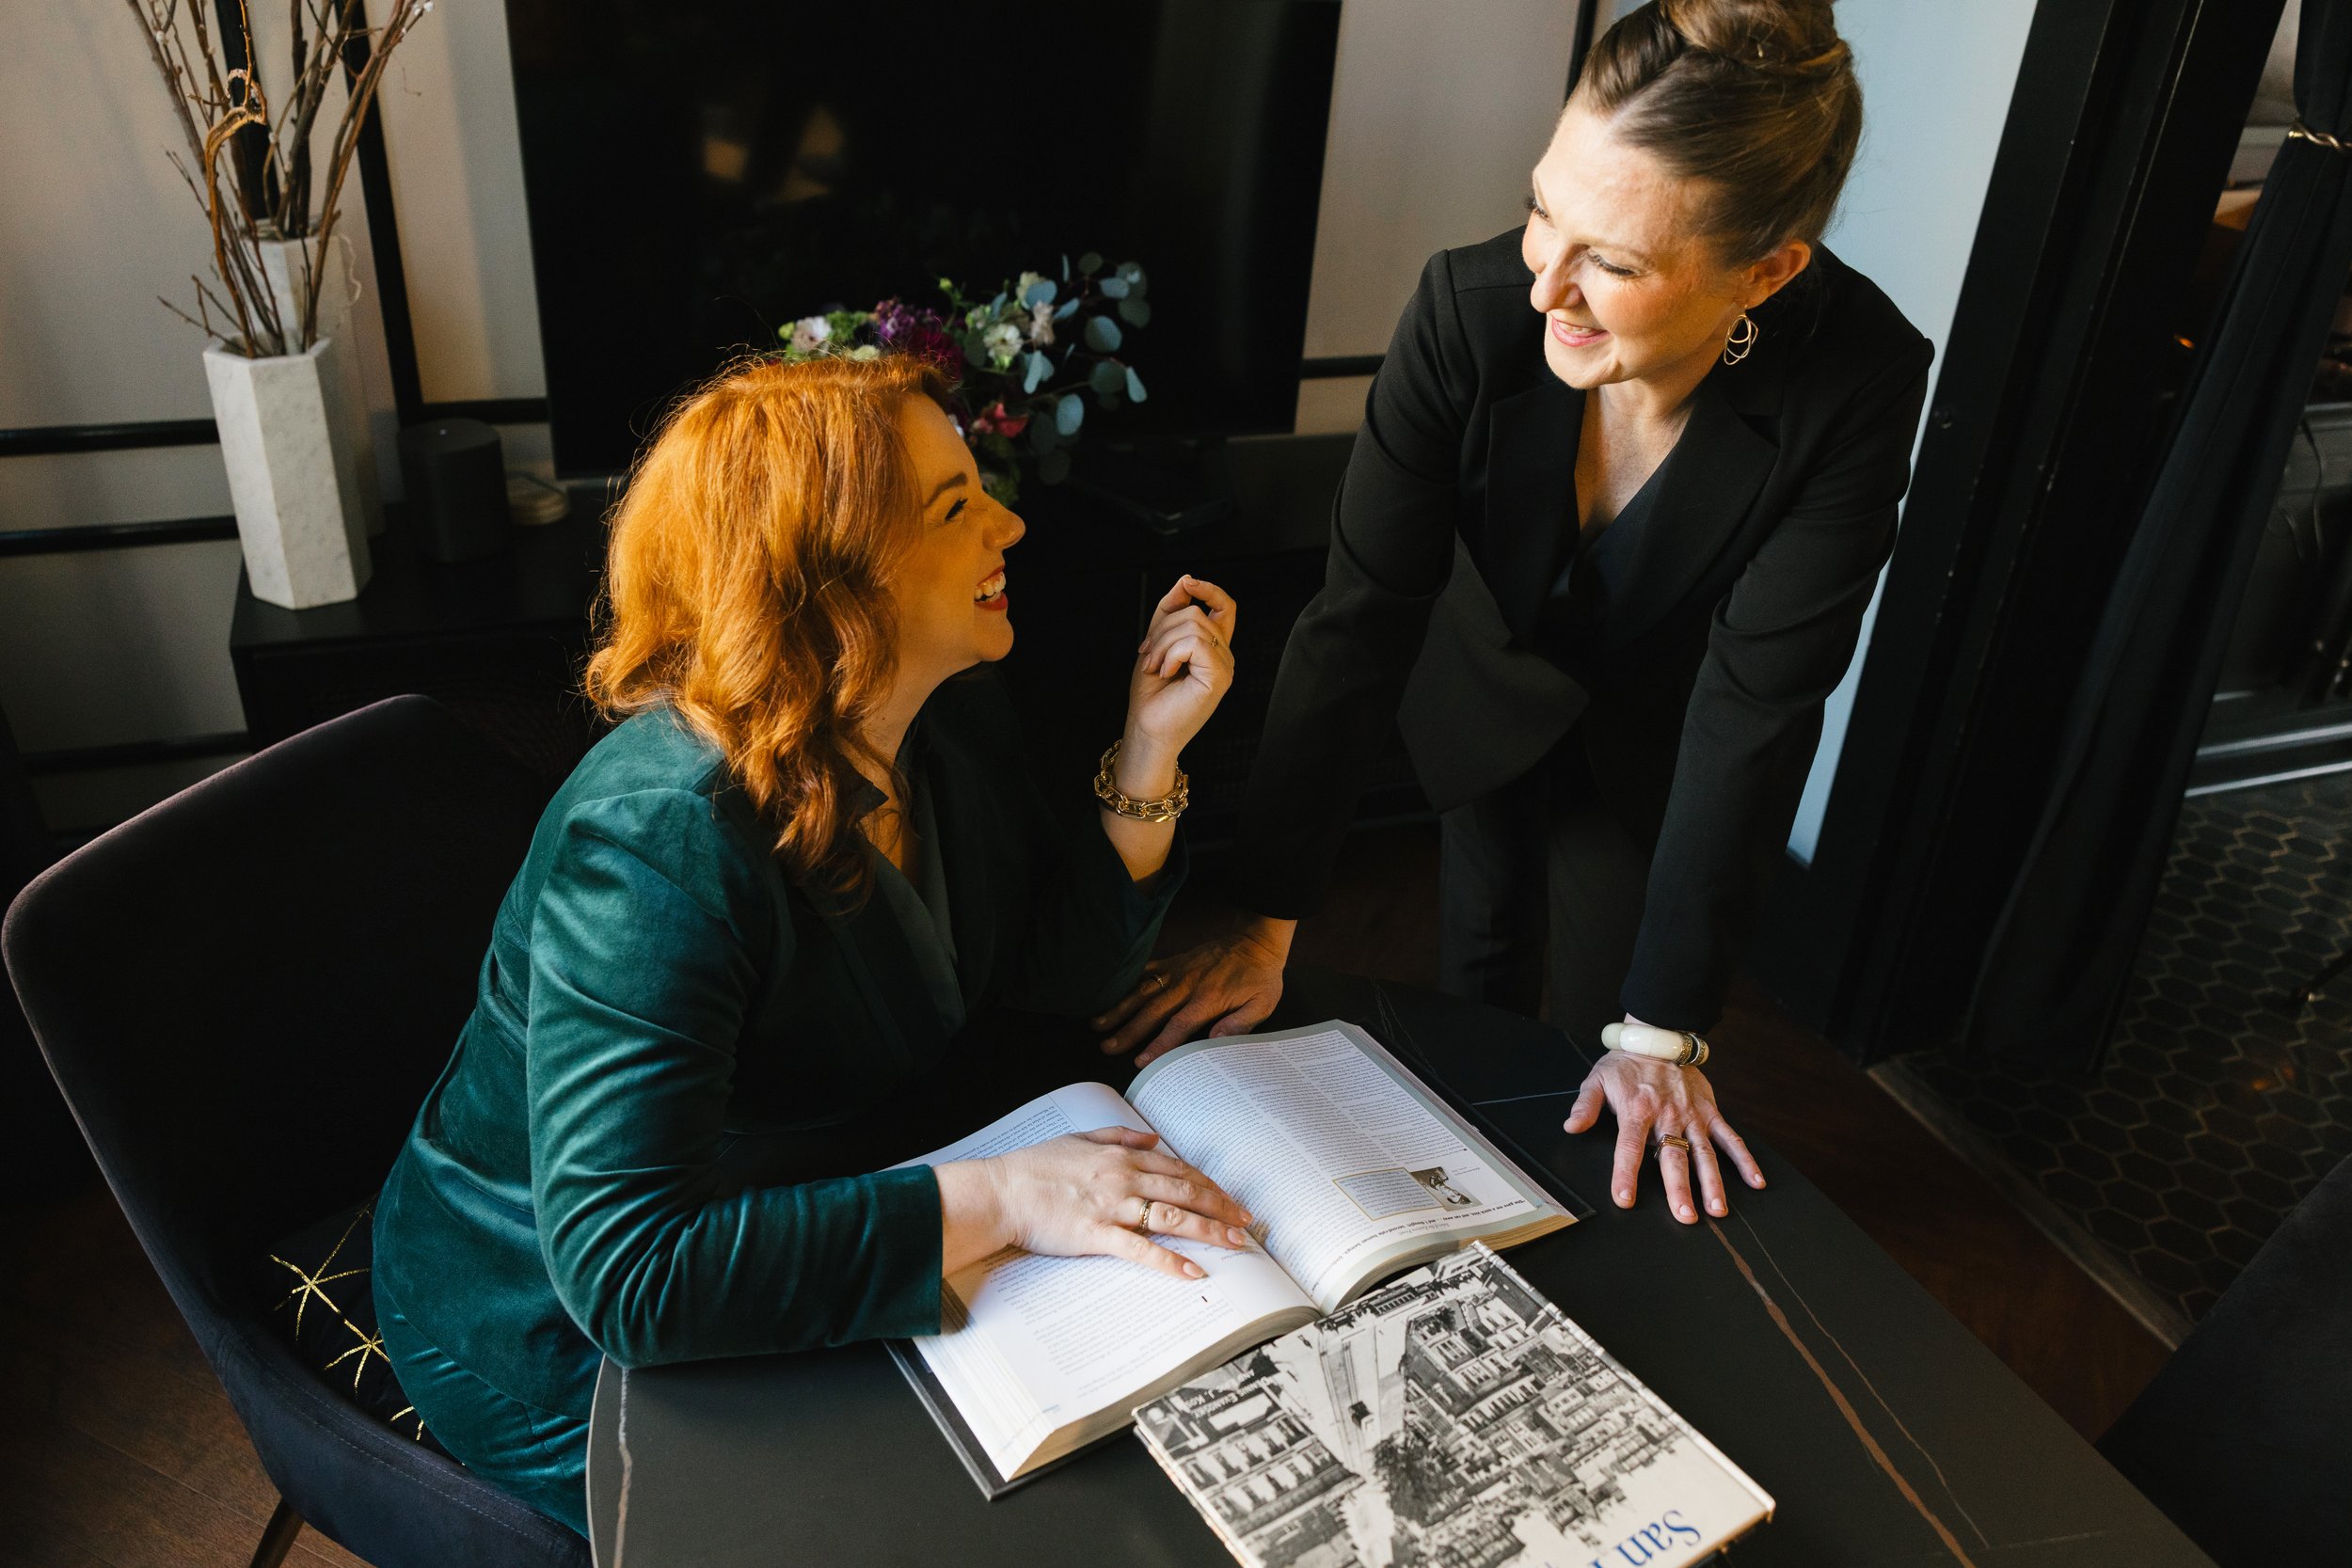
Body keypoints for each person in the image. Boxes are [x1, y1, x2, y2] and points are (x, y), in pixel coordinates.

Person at [370, 354, 1251, 1532]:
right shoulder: (658, 840)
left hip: (790, 1182)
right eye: (954, 506)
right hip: (545, 1320)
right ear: (831, 582)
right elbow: (629, 1274)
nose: (1012, 521)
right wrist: (1004, 1196)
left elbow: (1049, 974)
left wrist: (1150, 753)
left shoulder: (941, 709)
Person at [1098, 0, 1933, 1232]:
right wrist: (1265, 906)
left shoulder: (1858, 384)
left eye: (1615, 260)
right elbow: (1359, 614)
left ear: (1766, 271)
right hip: (1475, 683)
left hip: (1662, 737)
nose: (1546, 280)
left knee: (1599, 1049)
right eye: (1547, 208)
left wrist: (1662, 1031)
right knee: (1478, 953)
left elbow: (1760, 702)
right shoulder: (1468, 304)